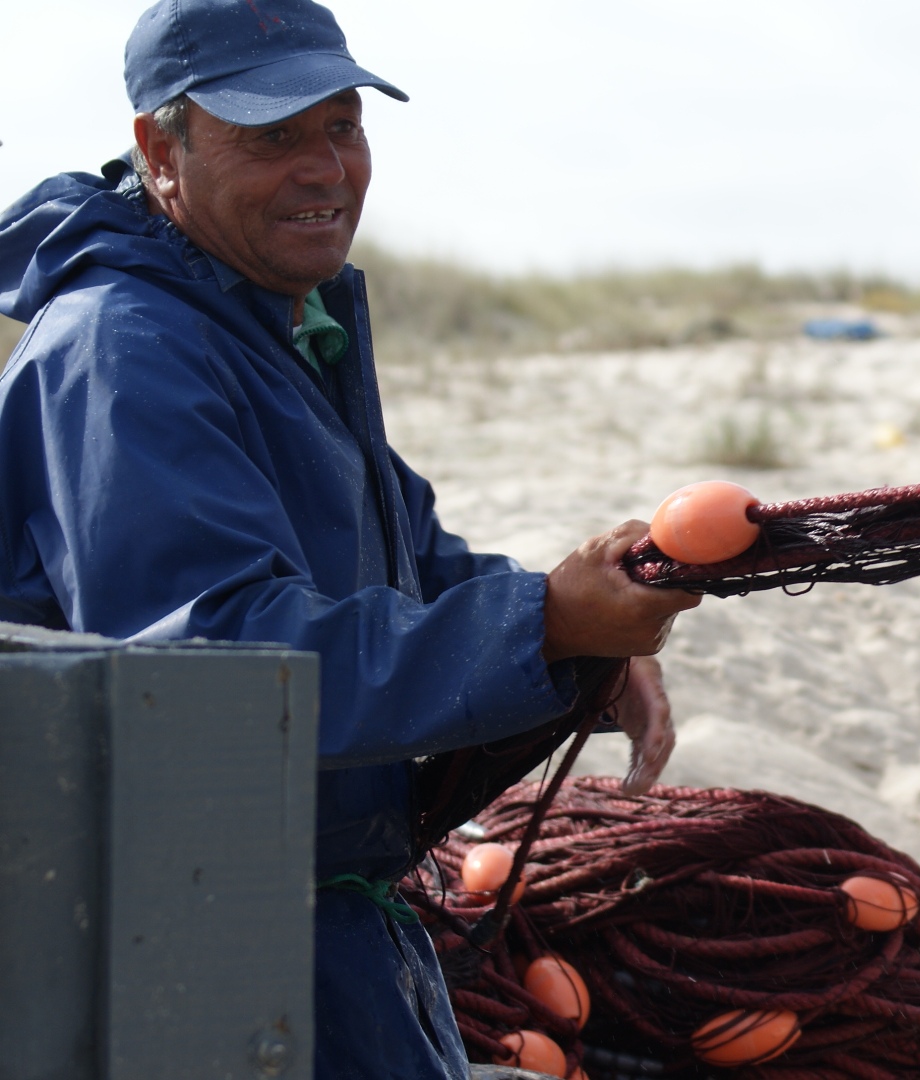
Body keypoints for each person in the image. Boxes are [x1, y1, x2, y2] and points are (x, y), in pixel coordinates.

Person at [0, 1, 699, 1076]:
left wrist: (579, 640)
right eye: (273, 136)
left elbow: (408, 552)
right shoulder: (122, 350)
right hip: (180, 946)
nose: (325, 168)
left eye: (342, 125)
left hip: (316, 913)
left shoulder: (279, 320)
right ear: (160, 149)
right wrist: (541, 626)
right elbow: (213, 671)